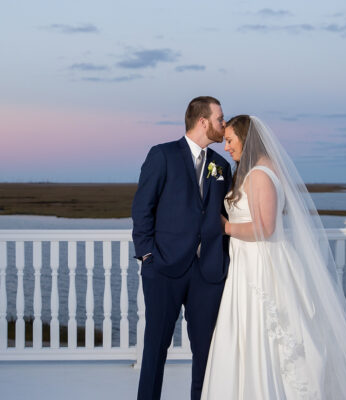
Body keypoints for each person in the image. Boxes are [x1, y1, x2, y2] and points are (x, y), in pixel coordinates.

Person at [201, 115, 346, 399]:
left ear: (247, 138)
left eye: (230, 140)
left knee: (264, 334)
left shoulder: (259, 175)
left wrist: (225, 226)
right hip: (250, 264)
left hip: (260, 267)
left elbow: (265, 227)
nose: (227, 147)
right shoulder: (263, 170)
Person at [132, 96, 233, 400]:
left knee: (206, 353)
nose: (224, 125)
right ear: (203, 121)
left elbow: (225, 214)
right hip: (164, 269)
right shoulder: (162, 155)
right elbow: (142, 208)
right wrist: (147, 254)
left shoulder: (221, 165)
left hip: (208, 273)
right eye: (220, 119)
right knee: (155, 349)